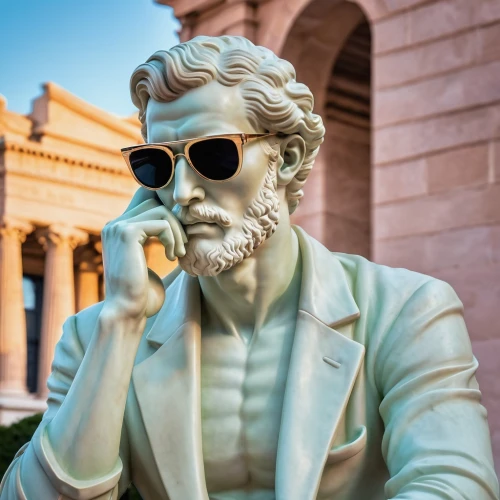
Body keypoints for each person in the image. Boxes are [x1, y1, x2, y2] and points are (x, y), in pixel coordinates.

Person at [1, 35, 498, 500]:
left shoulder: (405, 311)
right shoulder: (97, 337)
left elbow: (455, 484)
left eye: (214, 155)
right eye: (158, 163)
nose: (181, 192)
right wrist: (123, 321)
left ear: (287, 158)